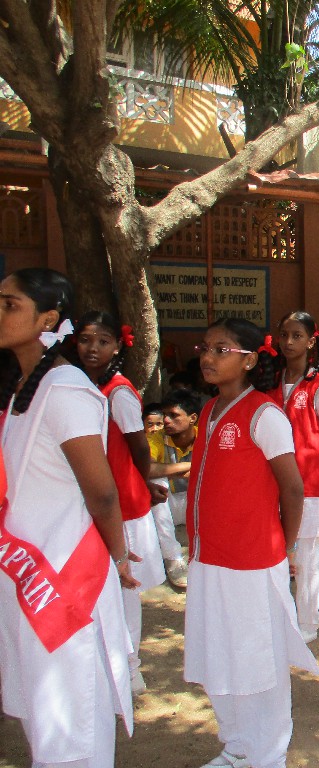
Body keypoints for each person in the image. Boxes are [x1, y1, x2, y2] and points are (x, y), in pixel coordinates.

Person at [0, 268, 136, 768]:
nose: (0, 313)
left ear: (47, 319)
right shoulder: (24, 389)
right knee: (46, 711)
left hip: (63, 577)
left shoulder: (65, 389)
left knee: (72, 713)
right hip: (26, 570)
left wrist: (119, 556)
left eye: (9, 304)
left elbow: (101, 492)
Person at [185, 318, 319, 768]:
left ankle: (268, 754)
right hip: (209, 557)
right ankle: (237, 745)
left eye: (221, 350)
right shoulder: (209, 409)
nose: (208, 357)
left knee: (257, 658)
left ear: (249, 361)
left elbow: (293, 488)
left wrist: (285, 547)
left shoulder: (264, 414)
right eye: (206, 348)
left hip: (251, 560)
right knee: (219, 653)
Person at [76, 311, 167, 694]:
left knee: (126, 585)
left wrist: (142, 484)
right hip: (95, 500)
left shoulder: (119, 392)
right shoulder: (83, 385)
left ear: (117, 346)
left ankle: (130, 669)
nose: (92, 348)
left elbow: (138, 447)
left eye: (102, 341)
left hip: (122, 502)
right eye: (86, 340)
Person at [269, 311, 319, 643]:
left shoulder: (318, 386)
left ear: (311, 342)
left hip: (309, 484)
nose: (289, 342)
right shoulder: (270, 382)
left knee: (306, 552)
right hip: (273, 481)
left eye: (297, 336)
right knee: (276, 549)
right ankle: (278, 617)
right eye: (284, 335)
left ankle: (307, 623)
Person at [148, 388, 201, 589]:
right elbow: (147, 468)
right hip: (168, 505)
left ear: (192, 418)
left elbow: (216, 469)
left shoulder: (206, 436)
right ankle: (173, 558)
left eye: (174, 415)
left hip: (197, 503)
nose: (166, 421)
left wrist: (168, 470)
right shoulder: (157, 438)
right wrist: (190, 467)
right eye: (165, 415)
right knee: (158, 482)